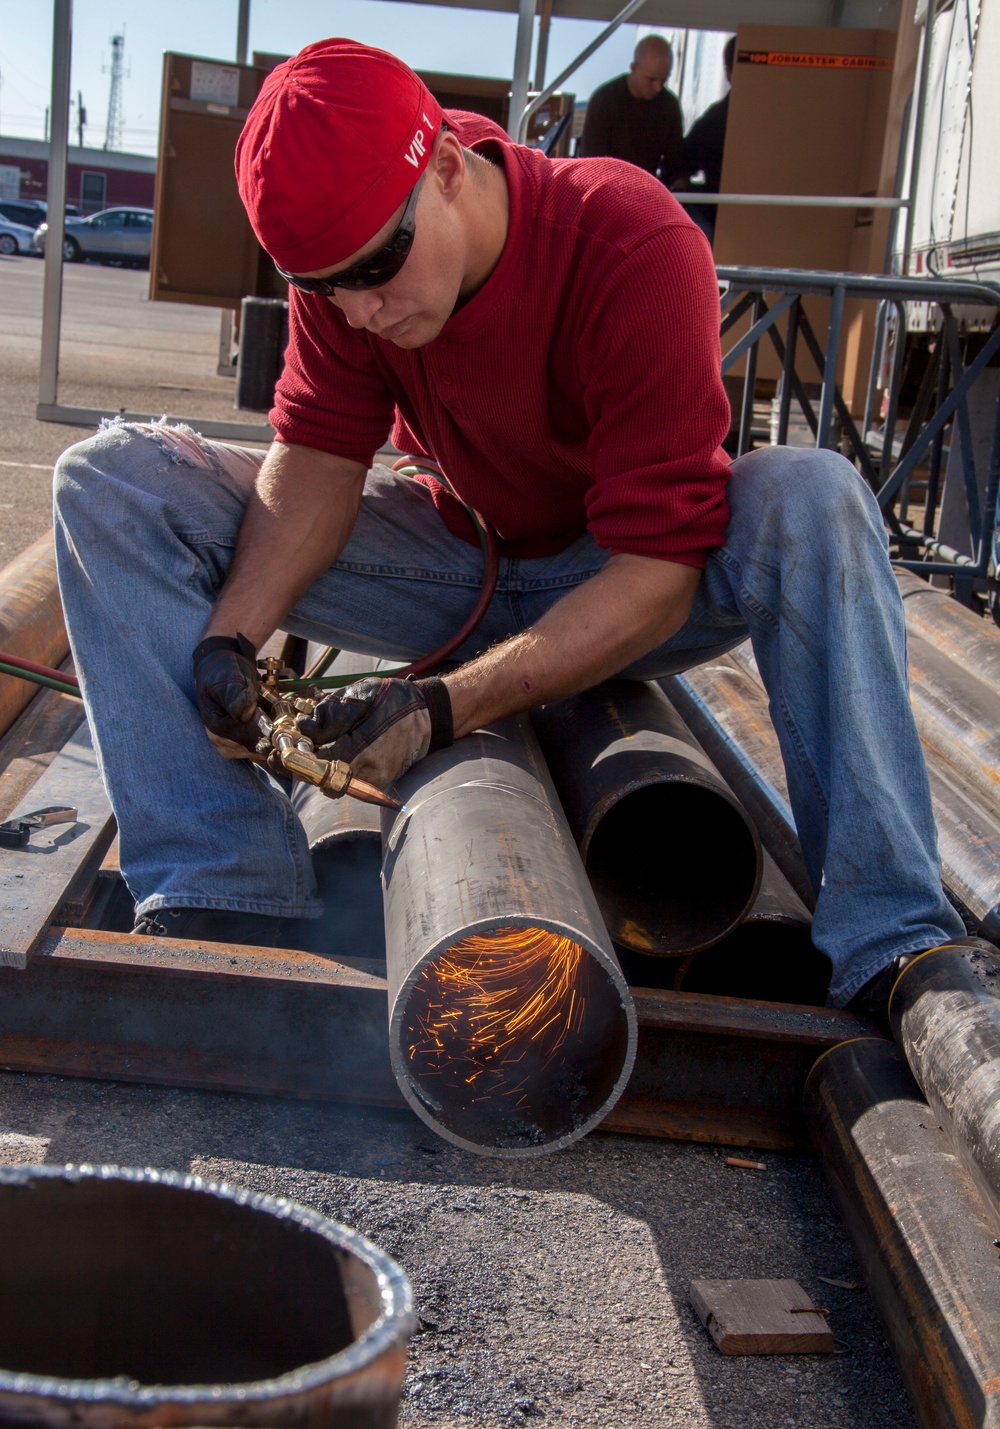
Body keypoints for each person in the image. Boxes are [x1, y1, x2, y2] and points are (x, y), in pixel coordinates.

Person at [54, 37, 966, 1013]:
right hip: (457, 561)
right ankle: (221, 890)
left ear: (447, 167)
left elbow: (659, 566)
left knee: (815, 494)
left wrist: (442, 710)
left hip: (623, 580)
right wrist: (232, 640)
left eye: (376, 267)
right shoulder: (351, 278)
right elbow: (318, 463)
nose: (360, 310)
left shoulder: (625, 238)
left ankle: (890, 943)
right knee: (110, 483)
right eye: (327, 287)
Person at [579, 35, 686, 184]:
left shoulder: (669, 106)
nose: (658, 87)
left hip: (646, 195)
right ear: (634, 68)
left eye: (663, 80)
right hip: (605, 191)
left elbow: (676, 165)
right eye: (651, 79)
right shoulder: (605, 100)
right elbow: (591, 164)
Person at [680, 35, 735, 244]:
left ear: (727, 73)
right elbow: (684, 161)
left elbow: (685, 160)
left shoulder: (715, 118)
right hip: (725, 221)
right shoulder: (715, 120)